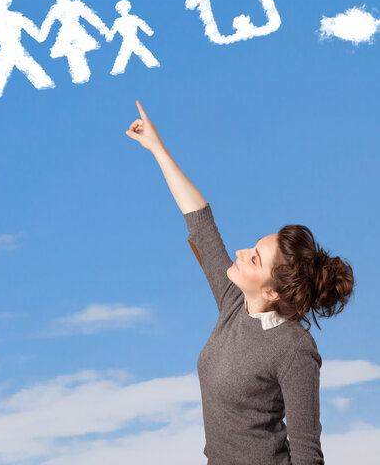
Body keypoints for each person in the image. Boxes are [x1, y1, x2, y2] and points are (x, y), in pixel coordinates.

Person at [125, 99, 355, 464]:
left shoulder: (294, 349)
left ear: (272, 291)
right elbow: (201, 223)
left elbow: (308, 454)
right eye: (253, 246)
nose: (241, 251)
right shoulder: (235, 303)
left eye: (255, 258)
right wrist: (157, 148)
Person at [0, 0, 55, 100]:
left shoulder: (15, 17)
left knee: (12, 67)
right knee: (4, 68)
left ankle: (44, 82)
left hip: (14, 47)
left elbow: (36, 33)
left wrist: (45, 28)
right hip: (7, 48)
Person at [39, 0, 109, 84]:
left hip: (76, 31)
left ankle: (82, 75)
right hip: (66, 34)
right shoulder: (55, 9)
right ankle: (79, 75)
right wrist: (42, 35)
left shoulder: (76, 4)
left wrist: (102, 28)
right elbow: (47, 23)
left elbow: (90, 16)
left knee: (77, 51)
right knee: (72, 53)